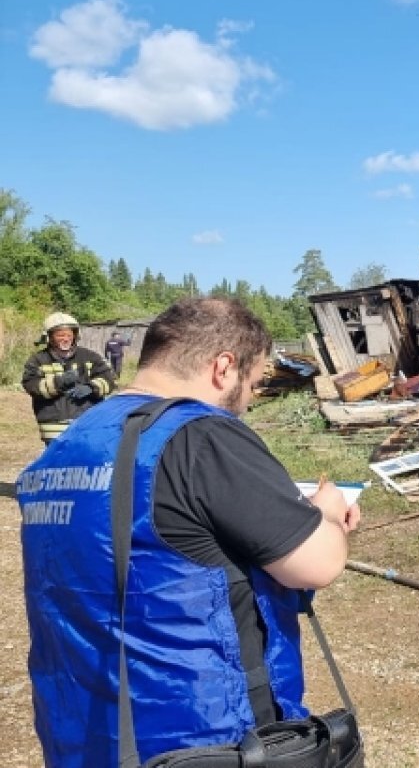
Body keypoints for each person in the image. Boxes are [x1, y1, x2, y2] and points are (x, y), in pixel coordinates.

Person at [16, 297, 361, 767]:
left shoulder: (68, 444)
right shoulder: (201, 436)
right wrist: (326, 512)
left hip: (88, 729)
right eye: (253, 383)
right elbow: (316, 564)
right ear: (224, 367)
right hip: (200, 735)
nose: (247, 403)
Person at [22, 311, 118, 443]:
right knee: (59, 462)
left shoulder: (90, 357)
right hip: (53, 427)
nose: (65, 339)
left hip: (87, 423)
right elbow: (31, 385)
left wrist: (91, 388)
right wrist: (59, 382)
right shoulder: (38, 360)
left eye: (69, 335)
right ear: (49, 337)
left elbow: (109, 379)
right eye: (60, 335)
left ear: (75, 336)